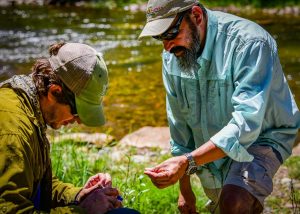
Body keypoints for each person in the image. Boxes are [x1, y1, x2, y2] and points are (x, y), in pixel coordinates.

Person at [139, 0, 300, 213]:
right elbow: (179, 126)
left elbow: (247, 123)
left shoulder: (250, 43)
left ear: (196, 16)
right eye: (159, 37)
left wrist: (188, 162)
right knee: (224, 204)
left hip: (264, 134)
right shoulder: (174, 54)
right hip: (212, 144)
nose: (166, 46)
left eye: (170, 34)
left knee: (233, 201)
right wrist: (185, 190)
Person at [0, 42, 139, 214]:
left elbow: (41, 188)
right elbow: (11, 210)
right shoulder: (13, 134)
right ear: (54, 92)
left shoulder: (31, 108)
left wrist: (80, 195)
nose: (79, 121)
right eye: (77, 112)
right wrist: (83, 211)